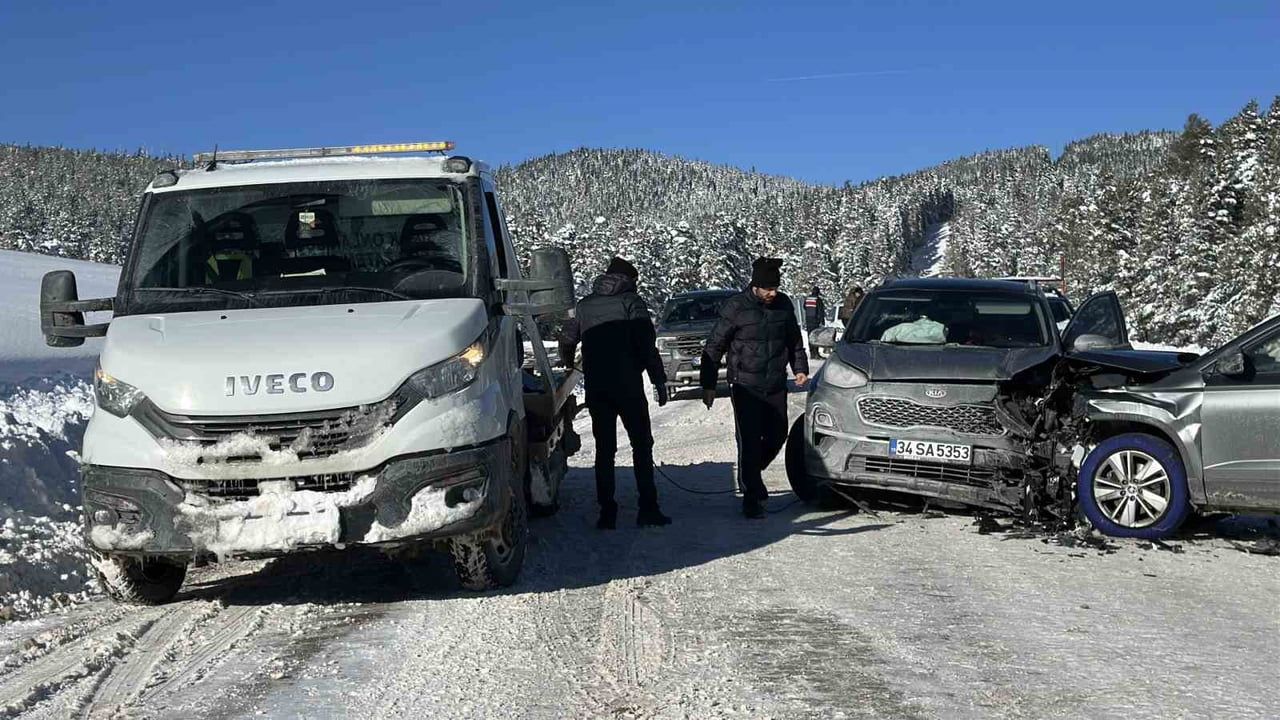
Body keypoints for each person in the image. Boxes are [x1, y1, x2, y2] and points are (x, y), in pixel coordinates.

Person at [559, 257, 672, 529]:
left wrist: (568, 363)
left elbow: (567, 339)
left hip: (599, 388)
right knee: (641, 447)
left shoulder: (584, 305)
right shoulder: (632, 303)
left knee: (604, 450)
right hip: (629, 387)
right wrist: (658, 381)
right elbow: (647, 346)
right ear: (630, 280)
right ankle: (648, 508)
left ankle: (607, 512)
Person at [699, 258, 809, 519]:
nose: (773, 293)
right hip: (744, 384)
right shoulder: (736, 306)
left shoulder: (783, 305)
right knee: (748, 441)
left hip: (775, 383)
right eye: (768, 288)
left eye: (776, 288)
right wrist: (708, 384)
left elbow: (794, 340)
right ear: (756, 286)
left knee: (778, 434)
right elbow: (714, 346)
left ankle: (750, 475)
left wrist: (800, 368)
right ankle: (751, 497)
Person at [802, 286, 826, 359]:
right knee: (815, 336)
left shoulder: (807, 299)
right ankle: (816, 353)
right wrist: (822, 321)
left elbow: (804, 307)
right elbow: (820, 311)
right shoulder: (818, 300)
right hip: (815, 320)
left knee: (810, 336)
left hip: (808, 319)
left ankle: (812, 353)